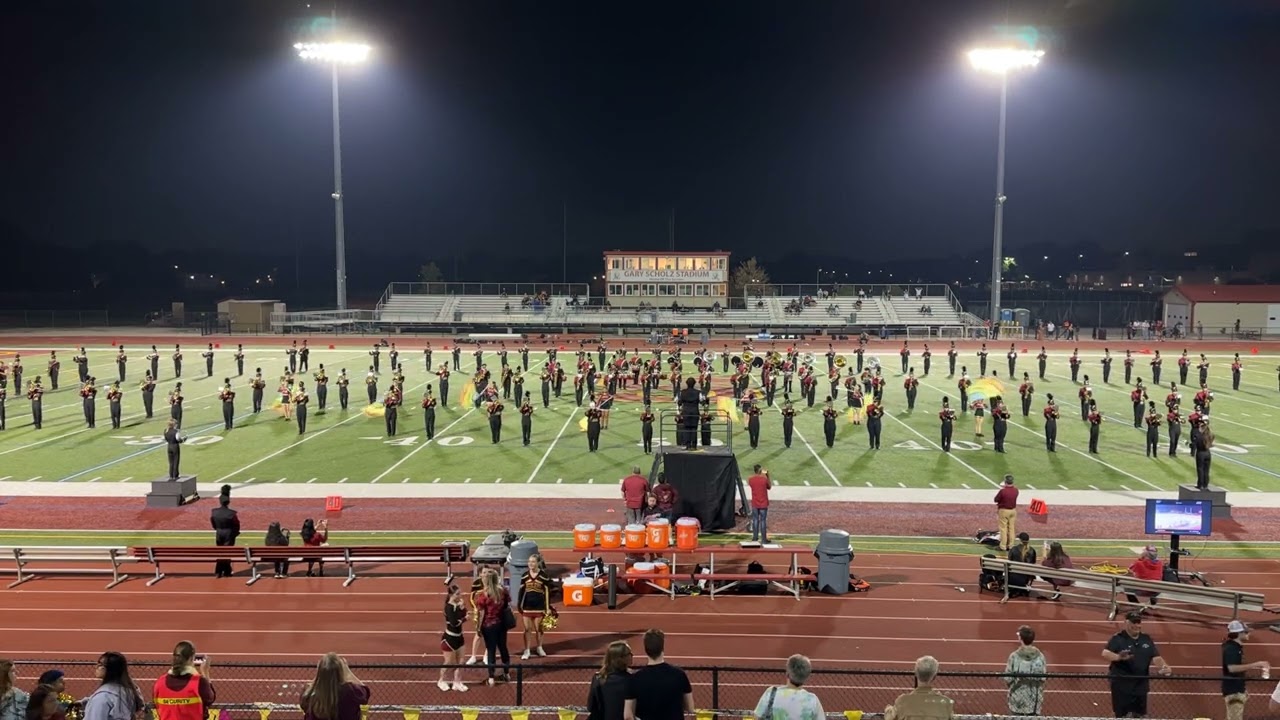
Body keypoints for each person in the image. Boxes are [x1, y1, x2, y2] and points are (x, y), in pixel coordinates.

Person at [1102, 611, 1171, 719]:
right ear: (1126, 622)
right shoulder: (1118, 638)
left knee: (1140, 715)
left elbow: (1156, 656)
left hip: (1140, 684)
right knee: (1121, 715)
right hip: (1122, 684)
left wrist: (1164, 667)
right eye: (1133, 622)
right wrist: (1119, 657)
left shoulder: (1146, 639)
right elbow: (1105, 653)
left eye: (1138, 622)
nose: (1136, 625)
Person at [624, 629, 693, 720]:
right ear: (662, 648)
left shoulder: (635, 679)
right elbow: (690, 708)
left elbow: (628, 716)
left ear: (646, 649)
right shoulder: (679, 675)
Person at [153, 642, 215, 720]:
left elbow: (157, 704)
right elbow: (210, 699)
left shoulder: (160, 683)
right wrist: (205, 672)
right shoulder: (199, 682)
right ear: (191, 659)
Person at [1222, 620, 1270, 720]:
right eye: (1246, 632)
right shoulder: (1231, 648)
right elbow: (1232, 668)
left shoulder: (1236, 647)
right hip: (1233, 692)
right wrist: (1257, 664)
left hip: (1236, 689)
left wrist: (1242, 689)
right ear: (1238, 633)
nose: (1249, 633)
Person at [752, 654, 824, 720]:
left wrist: (745, 718)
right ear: (807, 676)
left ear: (787, 674)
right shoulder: (812, 700)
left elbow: (754, 718)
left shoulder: (771, 693)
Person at [299, 653, 370, 720]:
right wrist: (348, 671)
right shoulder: (350, 691)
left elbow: (303, 705)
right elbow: (365, 693)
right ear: (341, 671)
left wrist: (322, 673)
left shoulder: (309, 692)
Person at [473, 568, 512, 686]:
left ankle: (491, 678)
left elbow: (482, 613)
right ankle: (507, 674)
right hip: (501, 624)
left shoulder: (483, 595)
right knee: (503, 648)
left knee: (491, 650)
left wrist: (478, 628)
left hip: (489, 625)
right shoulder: (503, 591)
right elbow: (506, 605)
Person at [885, 656, 953, 720]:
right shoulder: (946, 703)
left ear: (916, 673)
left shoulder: (902, 701)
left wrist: (888, 709)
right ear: (934, 676)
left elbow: (889, 718)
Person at [518, 553, 558, 659]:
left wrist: (547, 607)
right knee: (527, 629)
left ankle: (539, 647)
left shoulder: (543, 576)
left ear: (538, 563)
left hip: (539, 606)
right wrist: (519, 604)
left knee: (539, 629)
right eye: (529, 562)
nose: (531, 564)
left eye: (533, 562)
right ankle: (527, 650)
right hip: (527, 606)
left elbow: (547, 592)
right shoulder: (525, 575)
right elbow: (521, 591)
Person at [82, 652, 144, 720]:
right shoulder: (128, 691)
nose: (96, 667)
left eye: (100, 664)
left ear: (109, 669)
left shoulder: (102, 696)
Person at [1003, 626, 1046, 716]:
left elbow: (1008, 678)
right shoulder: (1040, 656)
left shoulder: (1014, 656)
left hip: (1017, 699)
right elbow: (1043, 678)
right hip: (1034, 699)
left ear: (1020, 638)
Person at [587, 641, 632, 720]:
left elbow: (591, 707)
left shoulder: (598, 678)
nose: (632, 656)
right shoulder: (631, 680)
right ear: (620, 659)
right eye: (629, 654)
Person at [437, 585, 469, 692]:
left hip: (459, 637)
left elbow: (464, 613)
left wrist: (463, 608)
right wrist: (464, 618)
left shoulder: (457, 605)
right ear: (451, 595)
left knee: (460, 661)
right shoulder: (448, 607)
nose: (460, 596)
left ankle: (457, 681)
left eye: (460, 593)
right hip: (449, 639)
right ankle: (441, 680)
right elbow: (454, 623)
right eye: (457, 594)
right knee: (449, 662)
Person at [210, 489, 240, 578]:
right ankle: (226, 571)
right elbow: (236, 524)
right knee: (227, 553)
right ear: (228, 502)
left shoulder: (214, 512)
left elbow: (212, 522)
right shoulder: (231, 513)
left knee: (220, 552)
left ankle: (219, 571)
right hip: (229, 533)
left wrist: (217, 528)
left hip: (219, 532)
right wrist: (235, 533)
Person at [1125, 546, 1164, 612]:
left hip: (1142, 590)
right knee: (1155, 582)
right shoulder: (1160, 563)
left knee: (1126, 587)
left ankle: (1135, 605)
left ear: (1145, 554)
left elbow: (1130, 569)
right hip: (1155, 591)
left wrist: (1140, 558)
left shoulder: (1138, 563)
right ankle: (1153, 603)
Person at [1002, 533, 1037, 602]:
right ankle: (1026, 587)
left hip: (1013, 577)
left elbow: (1009, 561)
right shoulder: (1032, 550)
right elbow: (1033, 562)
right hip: (1025, 577)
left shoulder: (1013, 549)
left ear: (1020, 540)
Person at [748, 465, 771, 544]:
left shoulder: (751, 479)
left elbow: (752, 486)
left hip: (755, 503)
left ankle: (755, 538)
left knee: (755, 520)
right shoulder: (764, 479)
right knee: (763, 521)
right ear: (760, 470)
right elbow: (769, 487)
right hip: (763, 503)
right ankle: (763, 539)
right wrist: (768, 476)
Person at [993, 475, 1018, 551]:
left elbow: (996, 499)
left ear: (1006, 481)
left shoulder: (1003, 491)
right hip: (1013, 511)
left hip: (1004, 510)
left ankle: (1003, 546)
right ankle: (1011, 545)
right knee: (1011, 528)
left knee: (1003, 529)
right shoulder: (1016, 490)